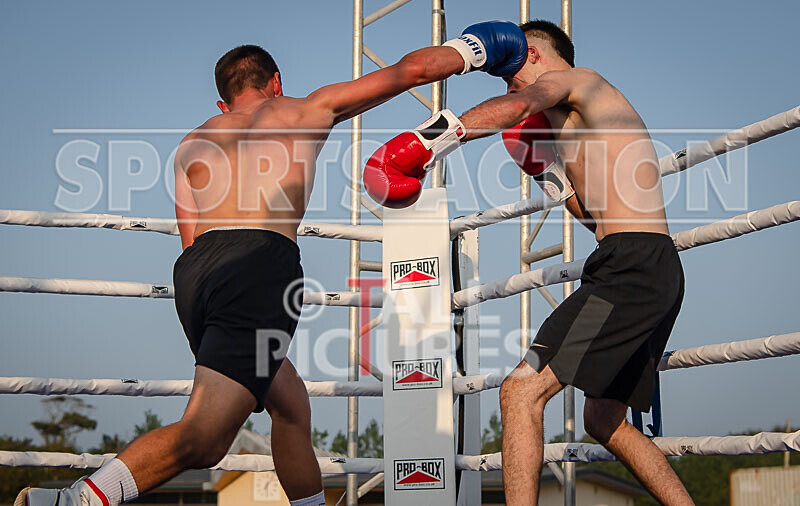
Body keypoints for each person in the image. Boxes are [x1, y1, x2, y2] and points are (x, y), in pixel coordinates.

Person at [15, 21, 530, 506]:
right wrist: (475, 49)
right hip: (257, 266)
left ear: (223, 100)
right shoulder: (304, 108)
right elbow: (410, 72)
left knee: (289, 404)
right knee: (203, 439)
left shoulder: (192, 142)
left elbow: (190, 240)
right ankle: (72, 499)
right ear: (276, 82)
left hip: (198, 278)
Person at [364, 19, 693, 506]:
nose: (509, 82)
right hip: (639, 265)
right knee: (603, 419)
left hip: (631, 269)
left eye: (509, 70)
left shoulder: (580, 80)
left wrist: (426, 143)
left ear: (535, 54)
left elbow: (516, 104)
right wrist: (547, 172)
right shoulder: (580, 120)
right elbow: (594, 218)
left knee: (520, 392)